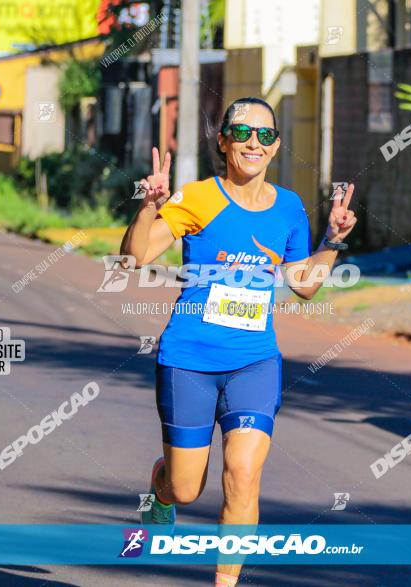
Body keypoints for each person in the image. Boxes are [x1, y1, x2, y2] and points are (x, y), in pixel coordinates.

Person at [120, 97, 357, 587]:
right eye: (243, 133)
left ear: (276, 145)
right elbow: (134, 259)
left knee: (244, 474)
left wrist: (332, 243)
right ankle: (160, 491)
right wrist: (148, 208)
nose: (255, 143)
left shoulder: (290, 207)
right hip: (189, 358)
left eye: (266, 135)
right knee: (186, 489)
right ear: (223, 141)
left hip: (255, 361)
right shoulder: (198, 197)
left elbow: (305, 283)